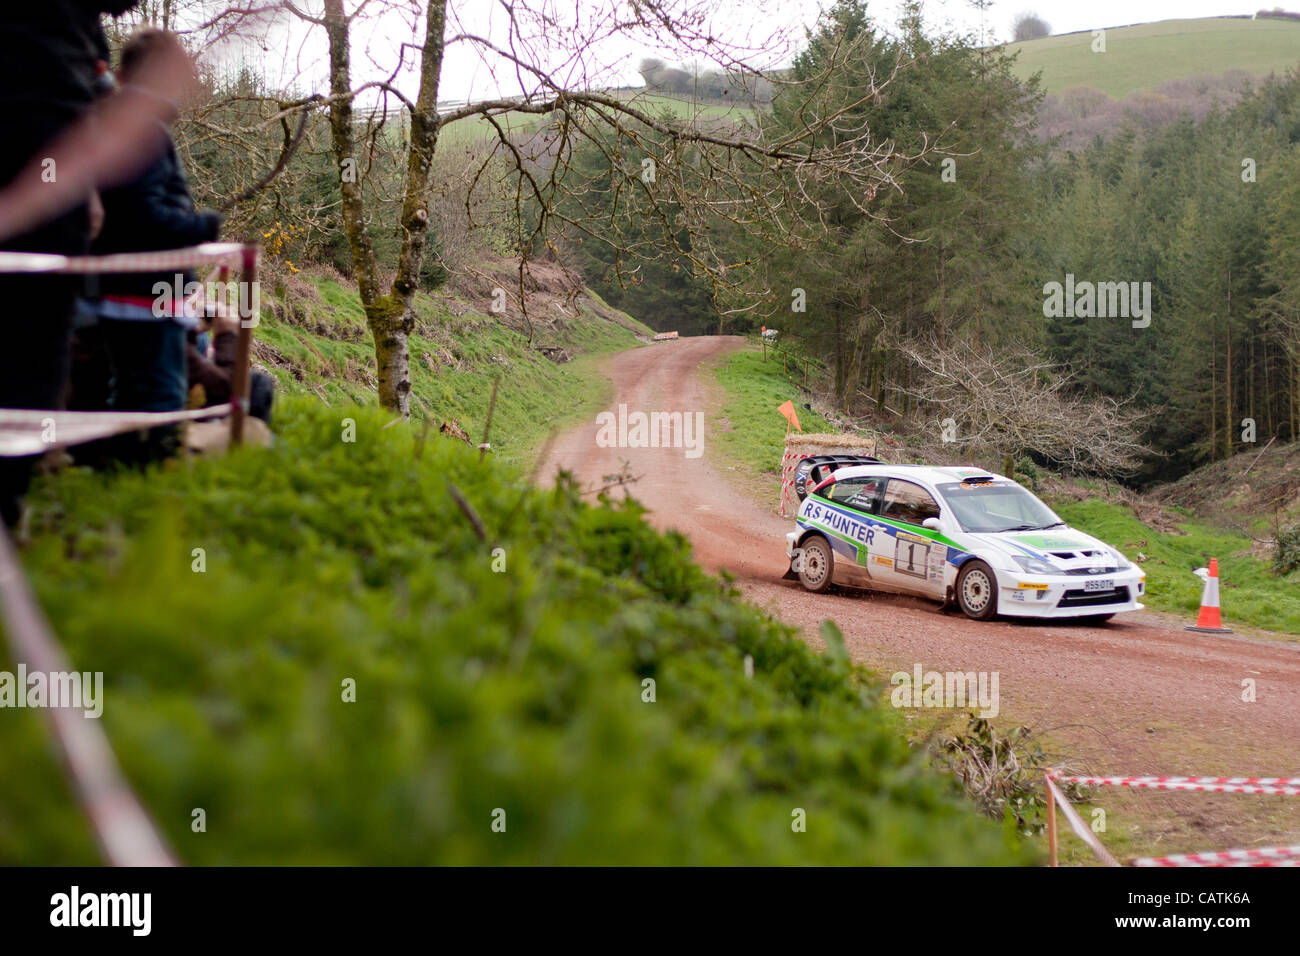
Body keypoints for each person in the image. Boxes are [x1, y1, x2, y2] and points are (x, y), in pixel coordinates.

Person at [0, 3, 192, 526]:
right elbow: (152, 214)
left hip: (52, 130)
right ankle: (12, 493)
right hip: (42, 126)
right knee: (40, 328)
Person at [90, 27, 223, 464]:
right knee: (162, 395)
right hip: (150, 296)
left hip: (121, 293)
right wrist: (201, 226)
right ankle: (152, 489)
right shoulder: (144, 131)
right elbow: (141, 218)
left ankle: (115, 478)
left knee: (127, 390)